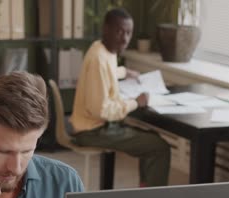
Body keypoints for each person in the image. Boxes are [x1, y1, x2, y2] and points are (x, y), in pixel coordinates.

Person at [70, 8, 170, 187]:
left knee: (153, 137)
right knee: (158, 147)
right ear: (106, 30)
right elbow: (101, 111)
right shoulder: (98, 60)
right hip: (92, 130)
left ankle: (145, 190)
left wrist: (124, 72)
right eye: (120, 31)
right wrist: (135, 102)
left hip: (97, 126)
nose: (125, 38)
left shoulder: (102, 49)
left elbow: (106, 73)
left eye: (129, 32)